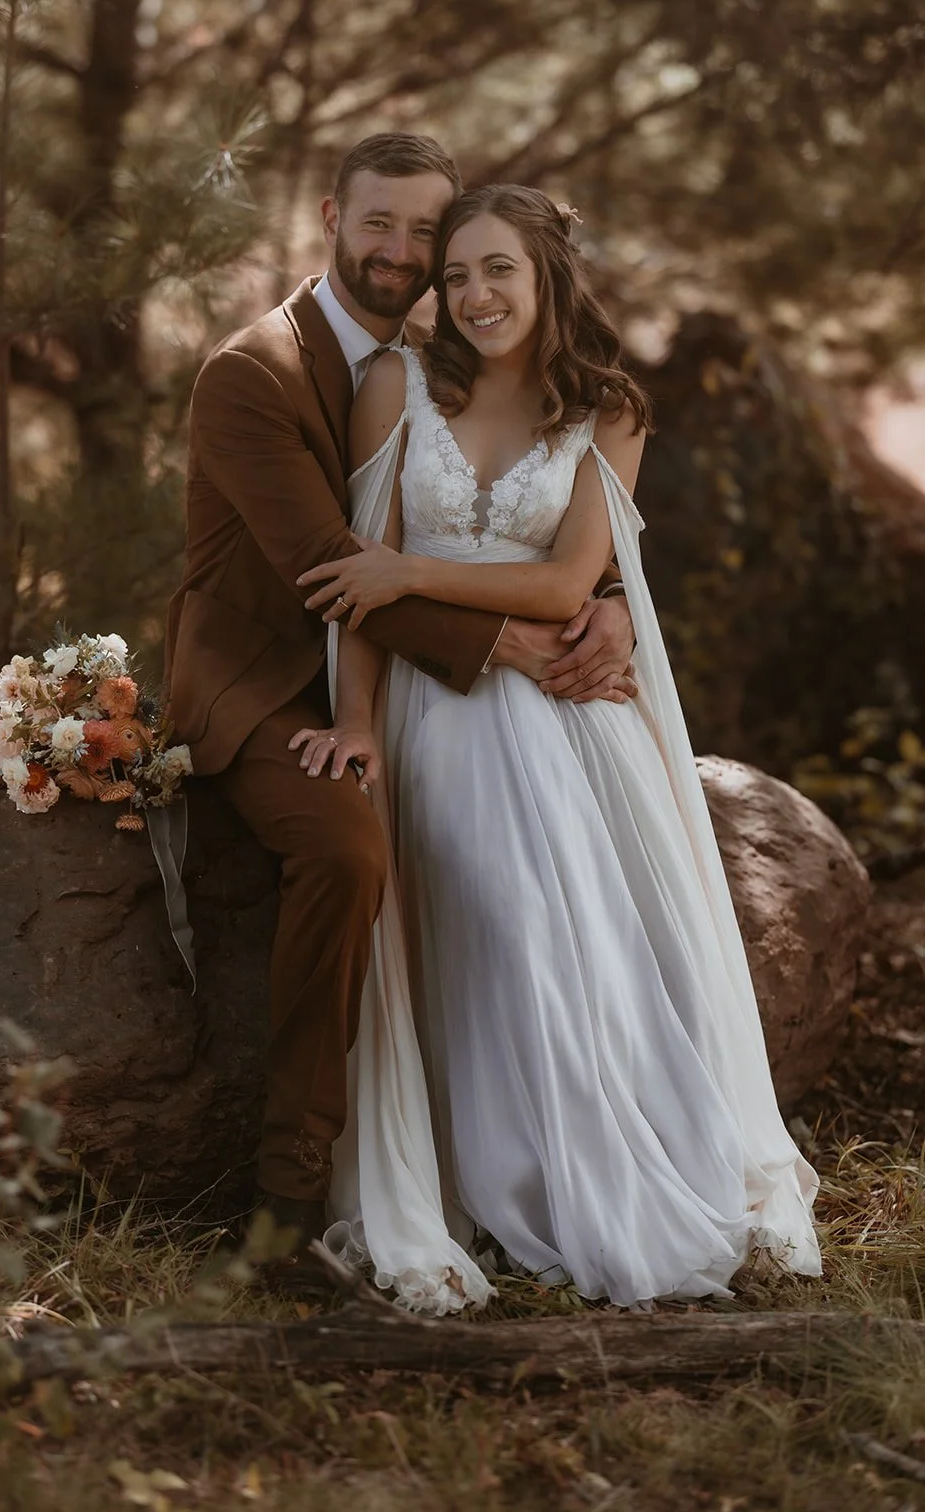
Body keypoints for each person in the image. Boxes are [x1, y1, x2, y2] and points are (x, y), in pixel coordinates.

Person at [293, 183, 821, 1311]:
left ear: (545, 278)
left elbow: (562, 581)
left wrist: (411, 571)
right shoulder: (396, 383)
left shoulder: (608, 408)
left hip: (567, 717)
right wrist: (351, 722)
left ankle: (606, 1172)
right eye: (457, 276)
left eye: (499, 272)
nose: (474, 296)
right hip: (431, 707)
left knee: (577, 931)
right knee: (498, 917)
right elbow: (353, 586)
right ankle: (491, 1185)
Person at [163, 136, 636, 1281]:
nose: (405, 253)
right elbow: (331, 566)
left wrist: (608, 594)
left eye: (427, 232)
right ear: (332, 215)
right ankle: (285, 1195)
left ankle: (539, 1154)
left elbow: (501, 498)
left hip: (396, 667)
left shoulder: (439, 356)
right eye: (381, 224)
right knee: (343, 843)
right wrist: (511, 642)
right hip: (267, 683)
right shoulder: (251, 370)